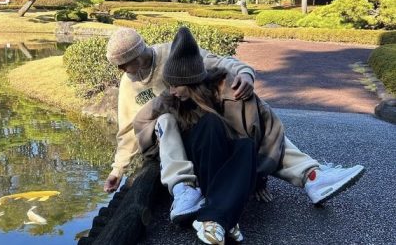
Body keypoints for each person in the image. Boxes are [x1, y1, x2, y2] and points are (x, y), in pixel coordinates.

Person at [103, 27, 364, 222]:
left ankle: (312, 176)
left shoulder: (175, 54)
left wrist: (245, 75)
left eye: (124, 65)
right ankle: (184, 190)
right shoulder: (130, 85)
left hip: (207, 125)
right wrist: (118, 169)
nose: (123, 72)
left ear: (137, 56)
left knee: (254, 115)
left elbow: (223, 62)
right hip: (177, 140)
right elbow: (128, 130)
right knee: (165, 119)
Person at [136, 26, 287, 243]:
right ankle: (220, 216)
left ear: (191, 82)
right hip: (195, 162)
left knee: (244, 145)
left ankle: (215, 218)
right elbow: (140, 121)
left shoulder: (221, 89)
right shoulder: (169, 100)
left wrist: (259, 179)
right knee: (210, 124)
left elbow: (263, 128)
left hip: (219, 159)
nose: (171, 90)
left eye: (176, 85)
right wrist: (156, 148)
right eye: (169, 85)